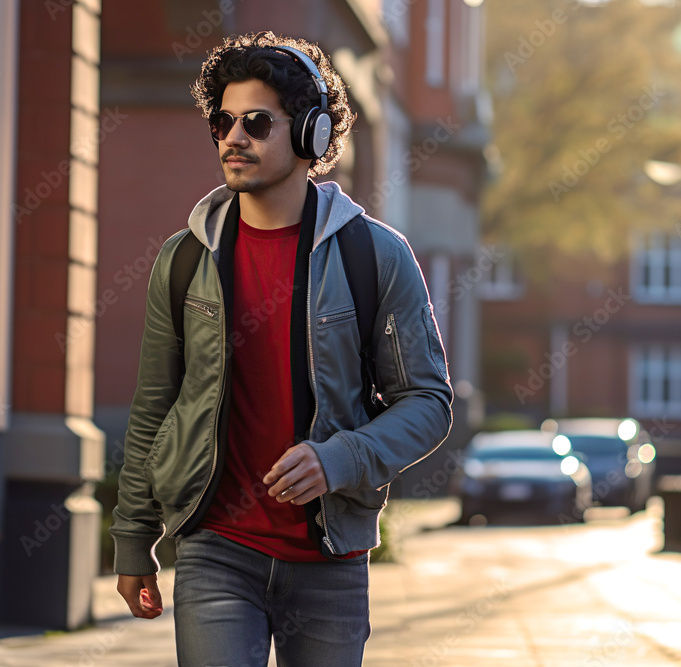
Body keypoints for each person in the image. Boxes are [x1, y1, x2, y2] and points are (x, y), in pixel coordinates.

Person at [109, 31, 453, 666]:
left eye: (257, 122)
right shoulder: (185, 260)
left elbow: (429, 402)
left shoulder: (376, 256)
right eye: (223, 121)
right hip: (217, 550)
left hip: (330, 561)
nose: (233, 138)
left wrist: (342, 457)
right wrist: (134, 541)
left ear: (311, 136)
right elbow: (154, 407)